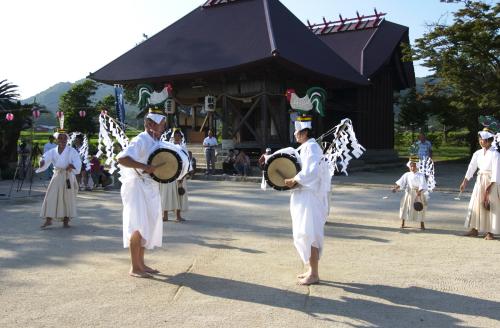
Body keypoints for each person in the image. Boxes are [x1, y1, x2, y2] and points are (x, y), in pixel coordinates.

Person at [116, 108, 166, 278]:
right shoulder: (141, 139)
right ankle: (134, 267)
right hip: (137, 187)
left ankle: (141, 264)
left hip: (150, 187)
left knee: (147, 226)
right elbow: (122, 159)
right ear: (150, 123)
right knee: (137, 225)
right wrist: (146, 167)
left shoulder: (155, 140)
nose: (164, 126)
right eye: (161, 122)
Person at [283, 116, 331, 285]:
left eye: (297, 131)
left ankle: (315, 273)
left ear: (304, 132)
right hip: (304, 195)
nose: (295, 134)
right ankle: (311, 269)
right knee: (304, 232)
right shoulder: (306, 147)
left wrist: (295, 179)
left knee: (309, 233)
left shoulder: (311, 147)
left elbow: (311, 171)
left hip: (309, 197)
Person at [36, 130, 82, 229]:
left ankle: (66, 221)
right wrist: (42, 162)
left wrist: (72, 166)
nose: (62, 140)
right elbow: (44, 157)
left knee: (67, 198)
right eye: (60, 138)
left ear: (67, 139)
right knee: (51, 197)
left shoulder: (71, 151)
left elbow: (78, 162)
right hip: (57, 176)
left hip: (68, 176)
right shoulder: (53, 151)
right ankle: (48, 220)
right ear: (57, 140)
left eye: (64, 138)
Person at [460, 128, 500, 240]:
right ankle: (474, 229)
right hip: (480, 180)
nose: (482, 141)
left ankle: (490, 232)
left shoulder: (495, 154)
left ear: (490, 140)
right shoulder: (477, 153)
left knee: (490, 206)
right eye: (480, 139)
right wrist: (465, 181)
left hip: (491, 181)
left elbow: (497, 171)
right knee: (476, 204)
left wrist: (490, 186)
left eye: (484, 139)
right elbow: (471, 167)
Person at [160, 129, 188, 222]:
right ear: (173, 136)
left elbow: (187, 162)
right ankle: (165, 215)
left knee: (179, 194)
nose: (177, 137)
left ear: (181, 137)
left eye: (178, 135)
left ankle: (178, 216)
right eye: (175, 135)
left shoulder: (183, 148)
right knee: (166, 194)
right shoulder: (168, 147)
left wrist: (183, 176)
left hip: (180, 174)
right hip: (169, 174)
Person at [392, 157, 428, 230]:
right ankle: (403, 222)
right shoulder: (407, 174)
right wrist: (396, 188)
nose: (412, 167)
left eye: (414, 166)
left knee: (420, 208)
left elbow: (422, 184)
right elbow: (401, 182)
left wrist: (419, 191)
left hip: (418, 193)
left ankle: (422, 223)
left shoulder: (421, 175)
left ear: (417, 166)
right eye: (411, 166)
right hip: (409, 193)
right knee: (405, 207)